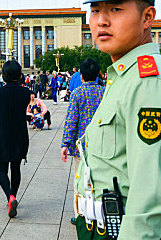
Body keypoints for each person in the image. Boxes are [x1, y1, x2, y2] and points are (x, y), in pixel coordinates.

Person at [74, 0, 161, 239]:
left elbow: (148, 198)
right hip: (101, 227)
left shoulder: (149, 83)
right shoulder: (124, 76)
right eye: (96, 10)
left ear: (147, 17)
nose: (101, 21)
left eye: (115, 10)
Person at [60, 58, 105, 225]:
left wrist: (66, 143)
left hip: (81, 146)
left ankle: (80, 215)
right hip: (101, 145)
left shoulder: (78, 93)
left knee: (80, 181)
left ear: (81, 76)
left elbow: (72, 120)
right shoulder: (105, 92)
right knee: (99, 180)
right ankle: (99, 211)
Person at [0, 60, 30, 218]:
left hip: (2, 134)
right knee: (16, 167)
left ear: (4, 76)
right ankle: (13, 195)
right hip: (19, 134)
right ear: (20, 75)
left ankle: (10, 197)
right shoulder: (25, 92)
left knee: (1, 169)